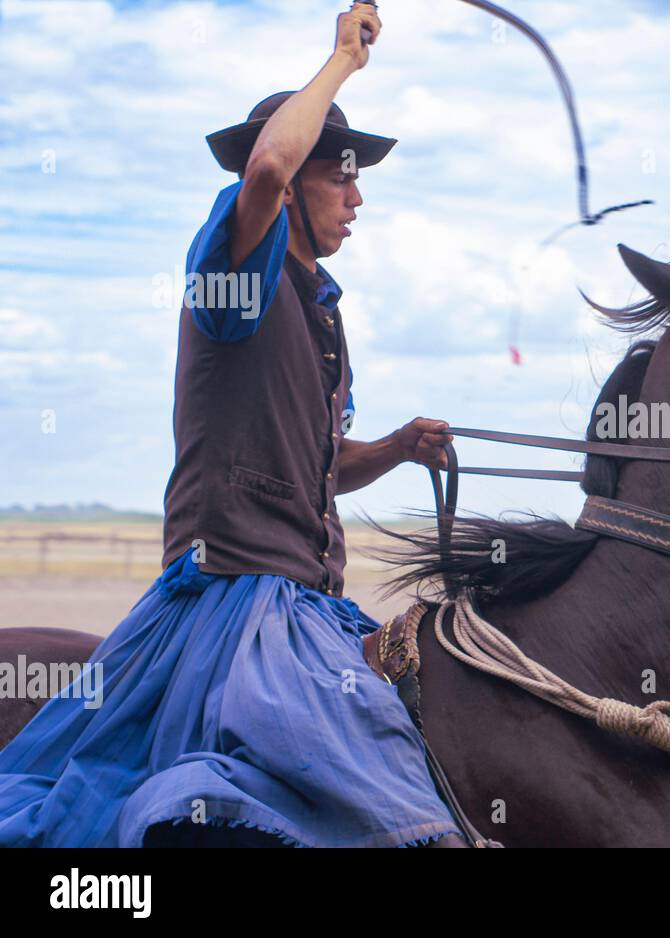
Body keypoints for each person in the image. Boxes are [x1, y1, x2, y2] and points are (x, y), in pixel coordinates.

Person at [0, 2, 467, 847]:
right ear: (294, 185)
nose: (359, 198)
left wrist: (396, 450)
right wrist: (341, 63)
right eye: (343, 176)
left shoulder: (320, 311)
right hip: (236, 599)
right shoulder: (236, 278)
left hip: (310, 602)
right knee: (360, 778)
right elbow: (260, 171)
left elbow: (318, 466)